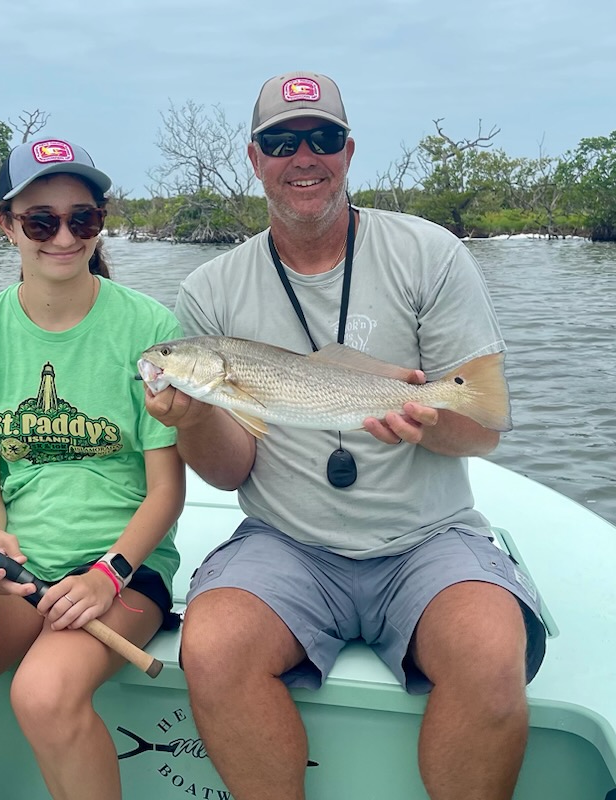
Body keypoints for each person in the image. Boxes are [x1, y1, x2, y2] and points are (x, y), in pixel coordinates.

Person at [145, 72, 546, 800]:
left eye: (323, 138)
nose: (305, 156)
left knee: (491, 652)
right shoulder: (210, 289)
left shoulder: (430, 253)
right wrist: (199, 414)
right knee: (212, 646)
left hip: (428, 536)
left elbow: (481, 435)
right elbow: (232, 473)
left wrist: (428, 425)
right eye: (282, 141)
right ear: (254, 157)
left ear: (349, 150)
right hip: (285, 541)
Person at [0, 138, 185, 800]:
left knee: (45, 696)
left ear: (100, 222)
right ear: (6, 225)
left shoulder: (150, 327)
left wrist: (107, 576)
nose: (63, 237)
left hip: (122, 572)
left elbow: (167, 492)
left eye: (81, 219)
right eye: (40, 221)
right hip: (14, 574)